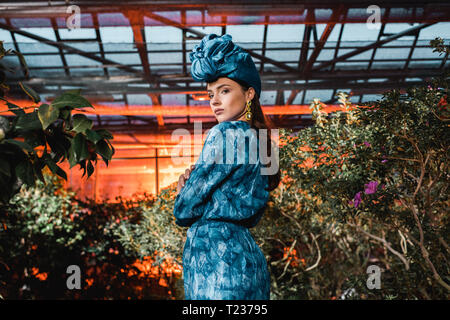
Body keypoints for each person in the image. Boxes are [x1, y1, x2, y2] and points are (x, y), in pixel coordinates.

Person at [173, 33, 280, 300]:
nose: (215, 101)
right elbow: (252, 214)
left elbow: (184, 210)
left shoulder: (224, 134)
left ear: (249, 93)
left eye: (225, 90)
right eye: (210, 94)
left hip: (216, 261)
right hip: (247, 260)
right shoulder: (265, 144)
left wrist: (183, 189)